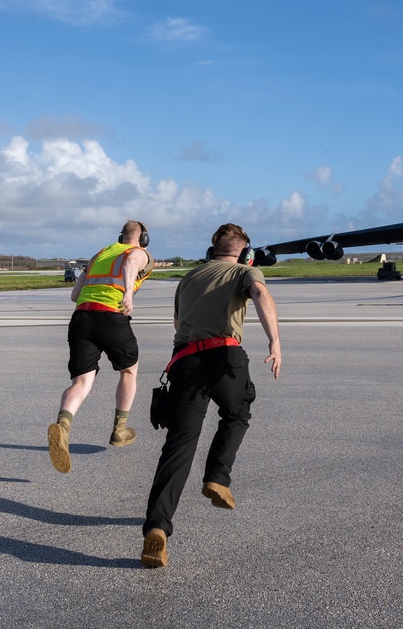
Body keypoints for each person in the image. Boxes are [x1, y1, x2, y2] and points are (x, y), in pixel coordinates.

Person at [141, 223, 281, 568]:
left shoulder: (188, 278)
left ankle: (157, 528)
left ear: (210, 251)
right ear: (245, 253)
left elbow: (177, 323)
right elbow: (262, 295)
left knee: (180, 443)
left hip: (185, 360)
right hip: (225, 356)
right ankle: (217, 477)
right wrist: (275, 340)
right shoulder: (245, 271)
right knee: (237, 412)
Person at [47, 220, 155, 473]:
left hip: (81, 317)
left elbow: (74, 295)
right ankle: (120, 430)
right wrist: (128, 293)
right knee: (129, 371)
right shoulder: (139, 253)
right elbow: (130, 264)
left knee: (81, 382)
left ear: (120, 236)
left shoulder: (100, 255)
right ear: (144, 238)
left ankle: (62, 425)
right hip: (111, 317)